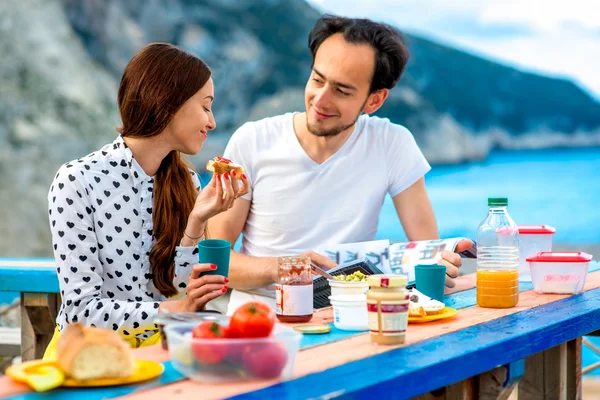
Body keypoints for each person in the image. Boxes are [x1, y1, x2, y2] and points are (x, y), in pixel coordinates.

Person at [209, 15, 473, 313]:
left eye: (341, 91)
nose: (320, 100)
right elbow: (215, 263)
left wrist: (442, 263)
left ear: (374, 101)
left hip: (351, 319)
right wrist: (289, 268)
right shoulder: (252, 141)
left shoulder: (392, 143)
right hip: (262, 322)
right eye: (317, 80)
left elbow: (427, 250)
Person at [45, 43, 249, 358]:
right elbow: (80, 312)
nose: (212, 123)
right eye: (206, 106)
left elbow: (176, 291)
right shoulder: (77, 181)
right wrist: (177, 309)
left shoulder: (187, 181)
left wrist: (197, 221)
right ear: (169, 103)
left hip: (163, 353)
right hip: (87, 358)